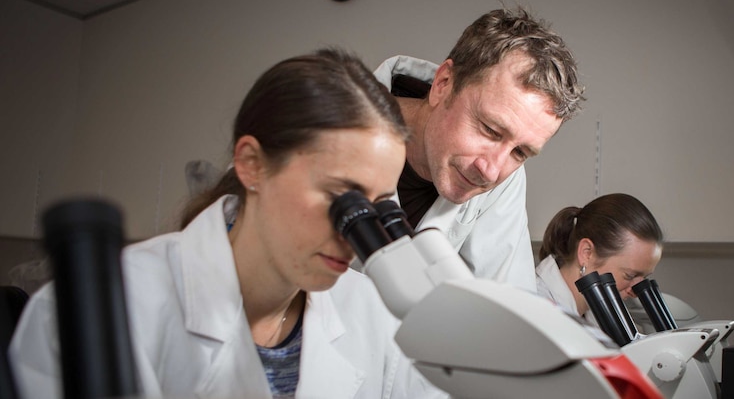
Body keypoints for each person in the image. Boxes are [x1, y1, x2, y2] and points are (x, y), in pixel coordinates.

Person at [10, 49, 444, 399]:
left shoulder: (376, 314)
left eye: (377, 206)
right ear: (252, 164)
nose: (353, 234)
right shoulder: (104, 308)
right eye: (341, 197)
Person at [373, 6, 584, 291]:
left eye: (520, 153)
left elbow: (509, 303)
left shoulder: (504, 180)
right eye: (490, 130)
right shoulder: (325, 128)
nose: (492, 170)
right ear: (443, 84)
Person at [536, 193, 664, 318]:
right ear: (587, 253)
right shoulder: (538, 310)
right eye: (629, 275)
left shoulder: (594, 311)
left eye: (644, 277)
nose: (636, 292)